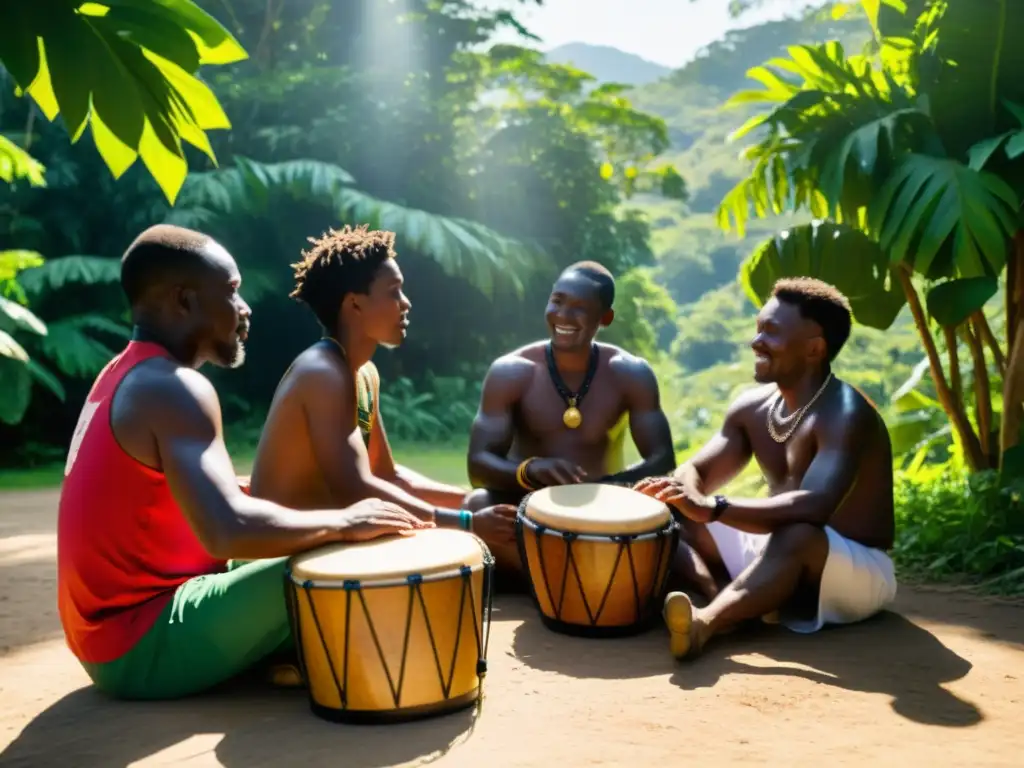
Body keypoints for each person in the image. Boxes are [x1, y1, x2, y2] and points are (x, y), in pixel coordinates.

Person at [55, 224, 429, 701]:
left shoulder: (125, 371)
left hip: (110, 638)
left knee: (313, 532)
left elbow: (183, 502)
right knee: (341, 555)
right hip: (142, 643)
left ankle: (285, 653)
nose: (244, 308)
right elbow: (227, 528)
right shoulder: (172, 387)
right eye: (231, 292)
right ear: (184, 301)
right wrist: (345, 522)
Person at [635, 277, 897, 660]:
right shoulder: (752, 408)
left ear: (814, 348)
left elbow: (815, 505)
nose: (756, 342)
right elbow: (694, 471)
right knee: (671, 506)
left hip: (854, 572)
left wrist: (713, 507)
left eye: (771, 332)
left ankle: (704, 623)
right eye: (758, 329)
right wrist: (685, 494)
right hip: (777, 550)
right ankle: (723, 601)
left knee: (798, 533)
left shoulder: (845, 412)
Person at [248, 225, 520, 574]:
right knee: (471, 545)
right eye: (394, 292)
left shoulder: (362, 374)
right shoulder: (322, 373)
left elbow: (386, 476)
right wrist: (467, 521)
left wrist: (476, 503)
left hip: (329, 547)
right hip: (287, 562)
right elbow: (356, 487)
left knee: (483, 508)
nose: (405, 303)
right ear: (355, 304)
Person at [464, 261, 676, 514]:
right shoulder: (512, 372)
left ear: (605, 317)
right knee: (477, 503)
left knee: (671, 516)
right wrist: (529, 471)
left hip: (606, 505)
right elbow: (478, 466)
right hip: (527, 505)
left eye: (580, 308)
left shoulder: (630, 373)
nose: (563, 315)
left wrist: (605, 486)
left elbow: (662, 460)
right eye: (557, 301)